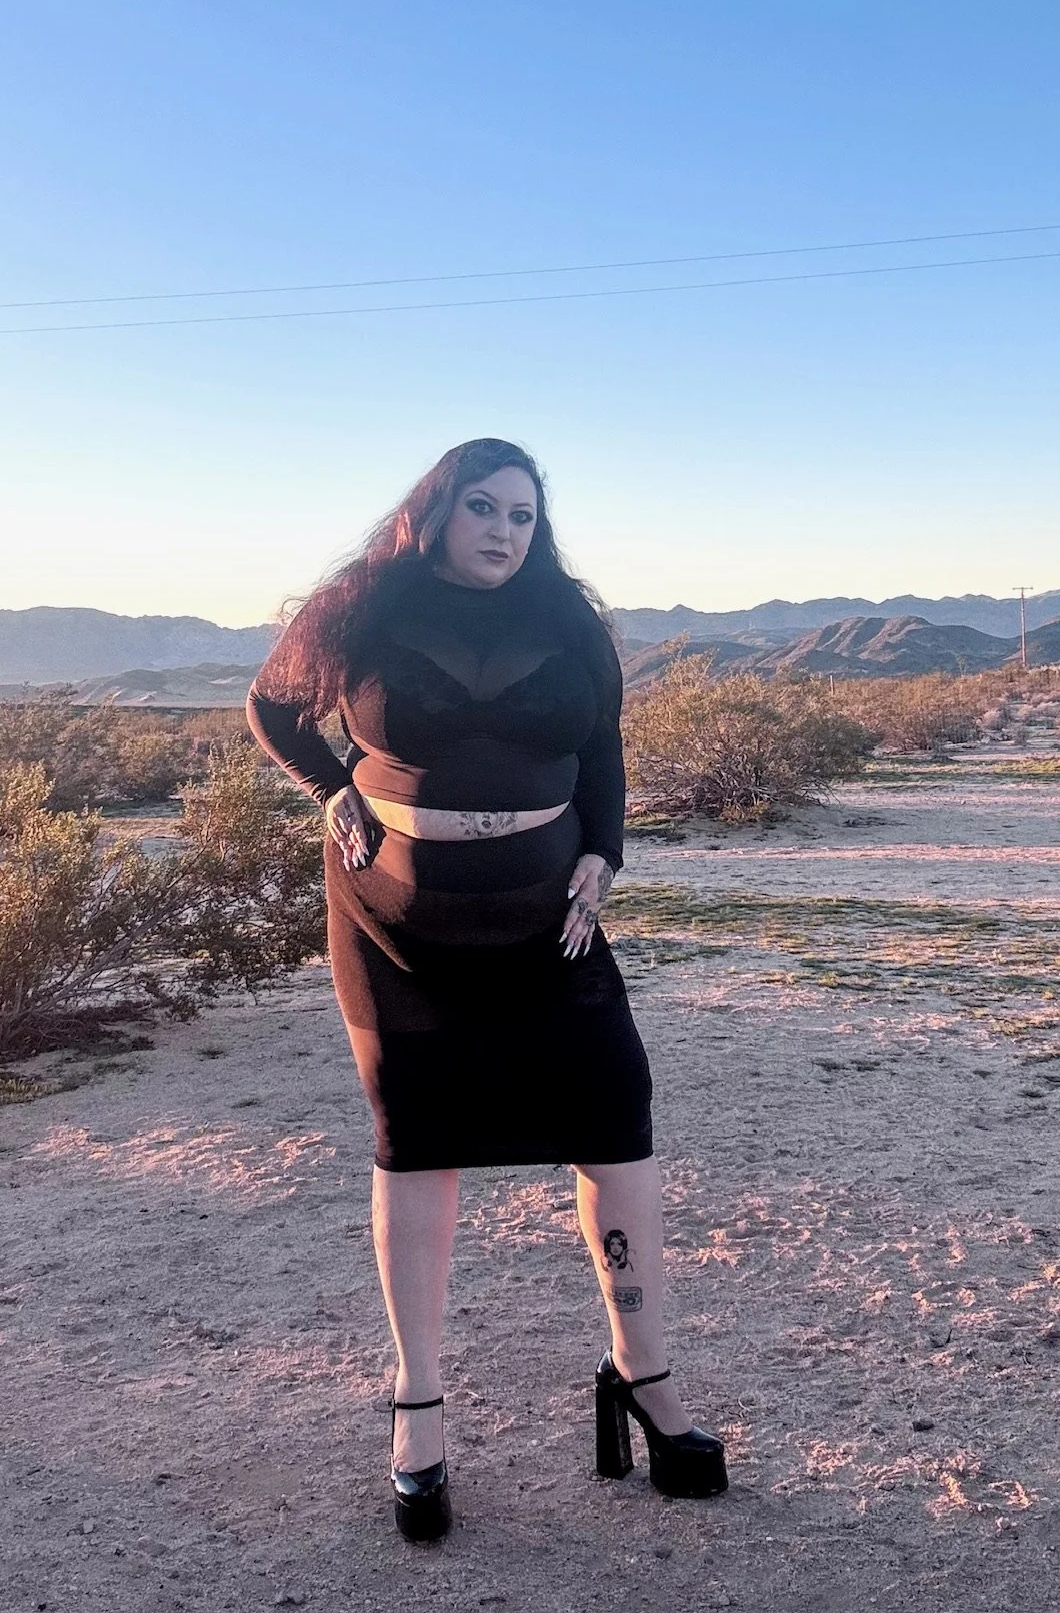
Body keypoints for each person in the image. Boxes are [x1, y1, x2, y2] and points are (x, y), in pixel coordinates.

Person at [246, 438, 726, 1539]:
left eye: (523, 511)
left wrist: (605, 851)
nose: (505, 528)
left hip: (546, 926)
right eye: (484, 506)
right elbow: (275, 707)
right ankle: (419, 1407)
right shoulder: (361, 605)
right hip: (393, 926)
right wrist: (329, 788)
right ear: (437, 512)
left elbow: (601, 747)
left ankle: (643, 1376)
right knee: (418, 1140)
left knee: (615, 1121)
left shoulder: (569, 620)